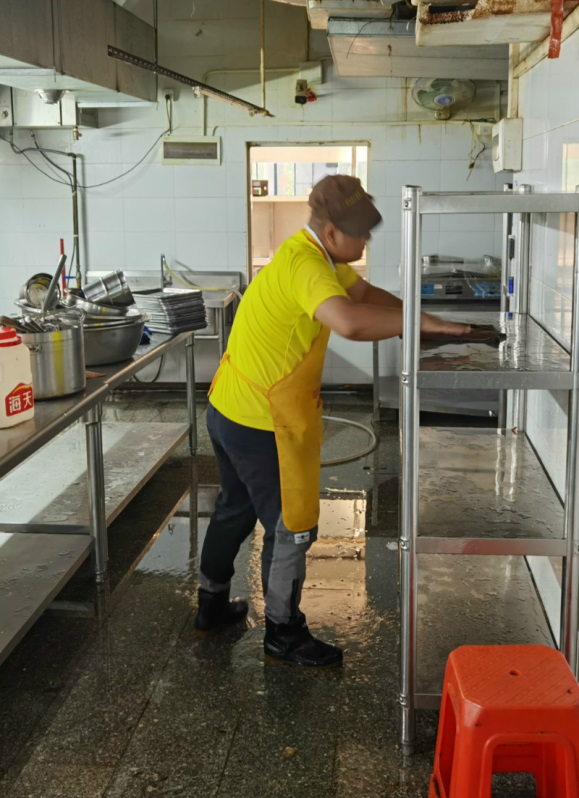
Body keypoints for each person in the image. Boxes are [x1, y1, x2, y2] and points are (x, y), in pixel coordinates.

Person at [194, 174, 470, 667]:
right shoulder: (305, 265)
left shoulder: (314, 255)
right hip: (265, 422)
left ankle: (211, 604)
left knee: (235, 507)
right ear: (331, 231)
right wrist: (420, 324)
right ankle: (283, 633)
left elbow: (364, 296)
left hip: (229, 406)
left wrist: (424, 320)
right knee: (291, 527)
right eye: (359, 234)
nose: (365, 243)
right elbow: (349, 321)